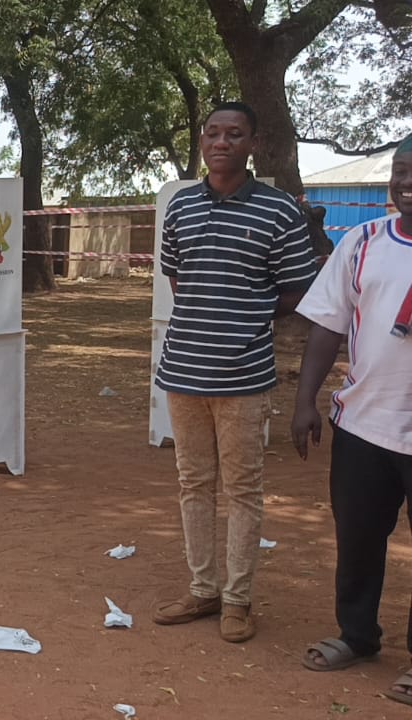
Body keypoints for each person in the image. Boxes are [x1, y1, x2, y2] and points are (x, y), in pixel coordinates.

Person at [151, 101, 318, 642]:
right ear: (202, 141)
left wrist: (246, 314)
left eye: (234, 134)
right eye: (212, 133)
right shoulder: (180, 209)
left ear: (252, 144)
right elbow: (180, 280)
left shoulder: (277, 212)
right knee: (193, 484)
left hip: (245, 377)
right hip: (183, 372)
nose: (221, 142)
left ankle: (237, 600)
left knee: (243, 489)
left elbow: (296, 289)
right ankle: (202, 590)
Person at [293, 135, 412, 706]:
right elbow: (326, 325)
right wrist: (304, 400)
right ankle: (358, 636)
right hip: (364, 425)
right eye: (401, 172)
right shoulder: (362, 242)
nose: (407, 184)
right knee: (359, 539)